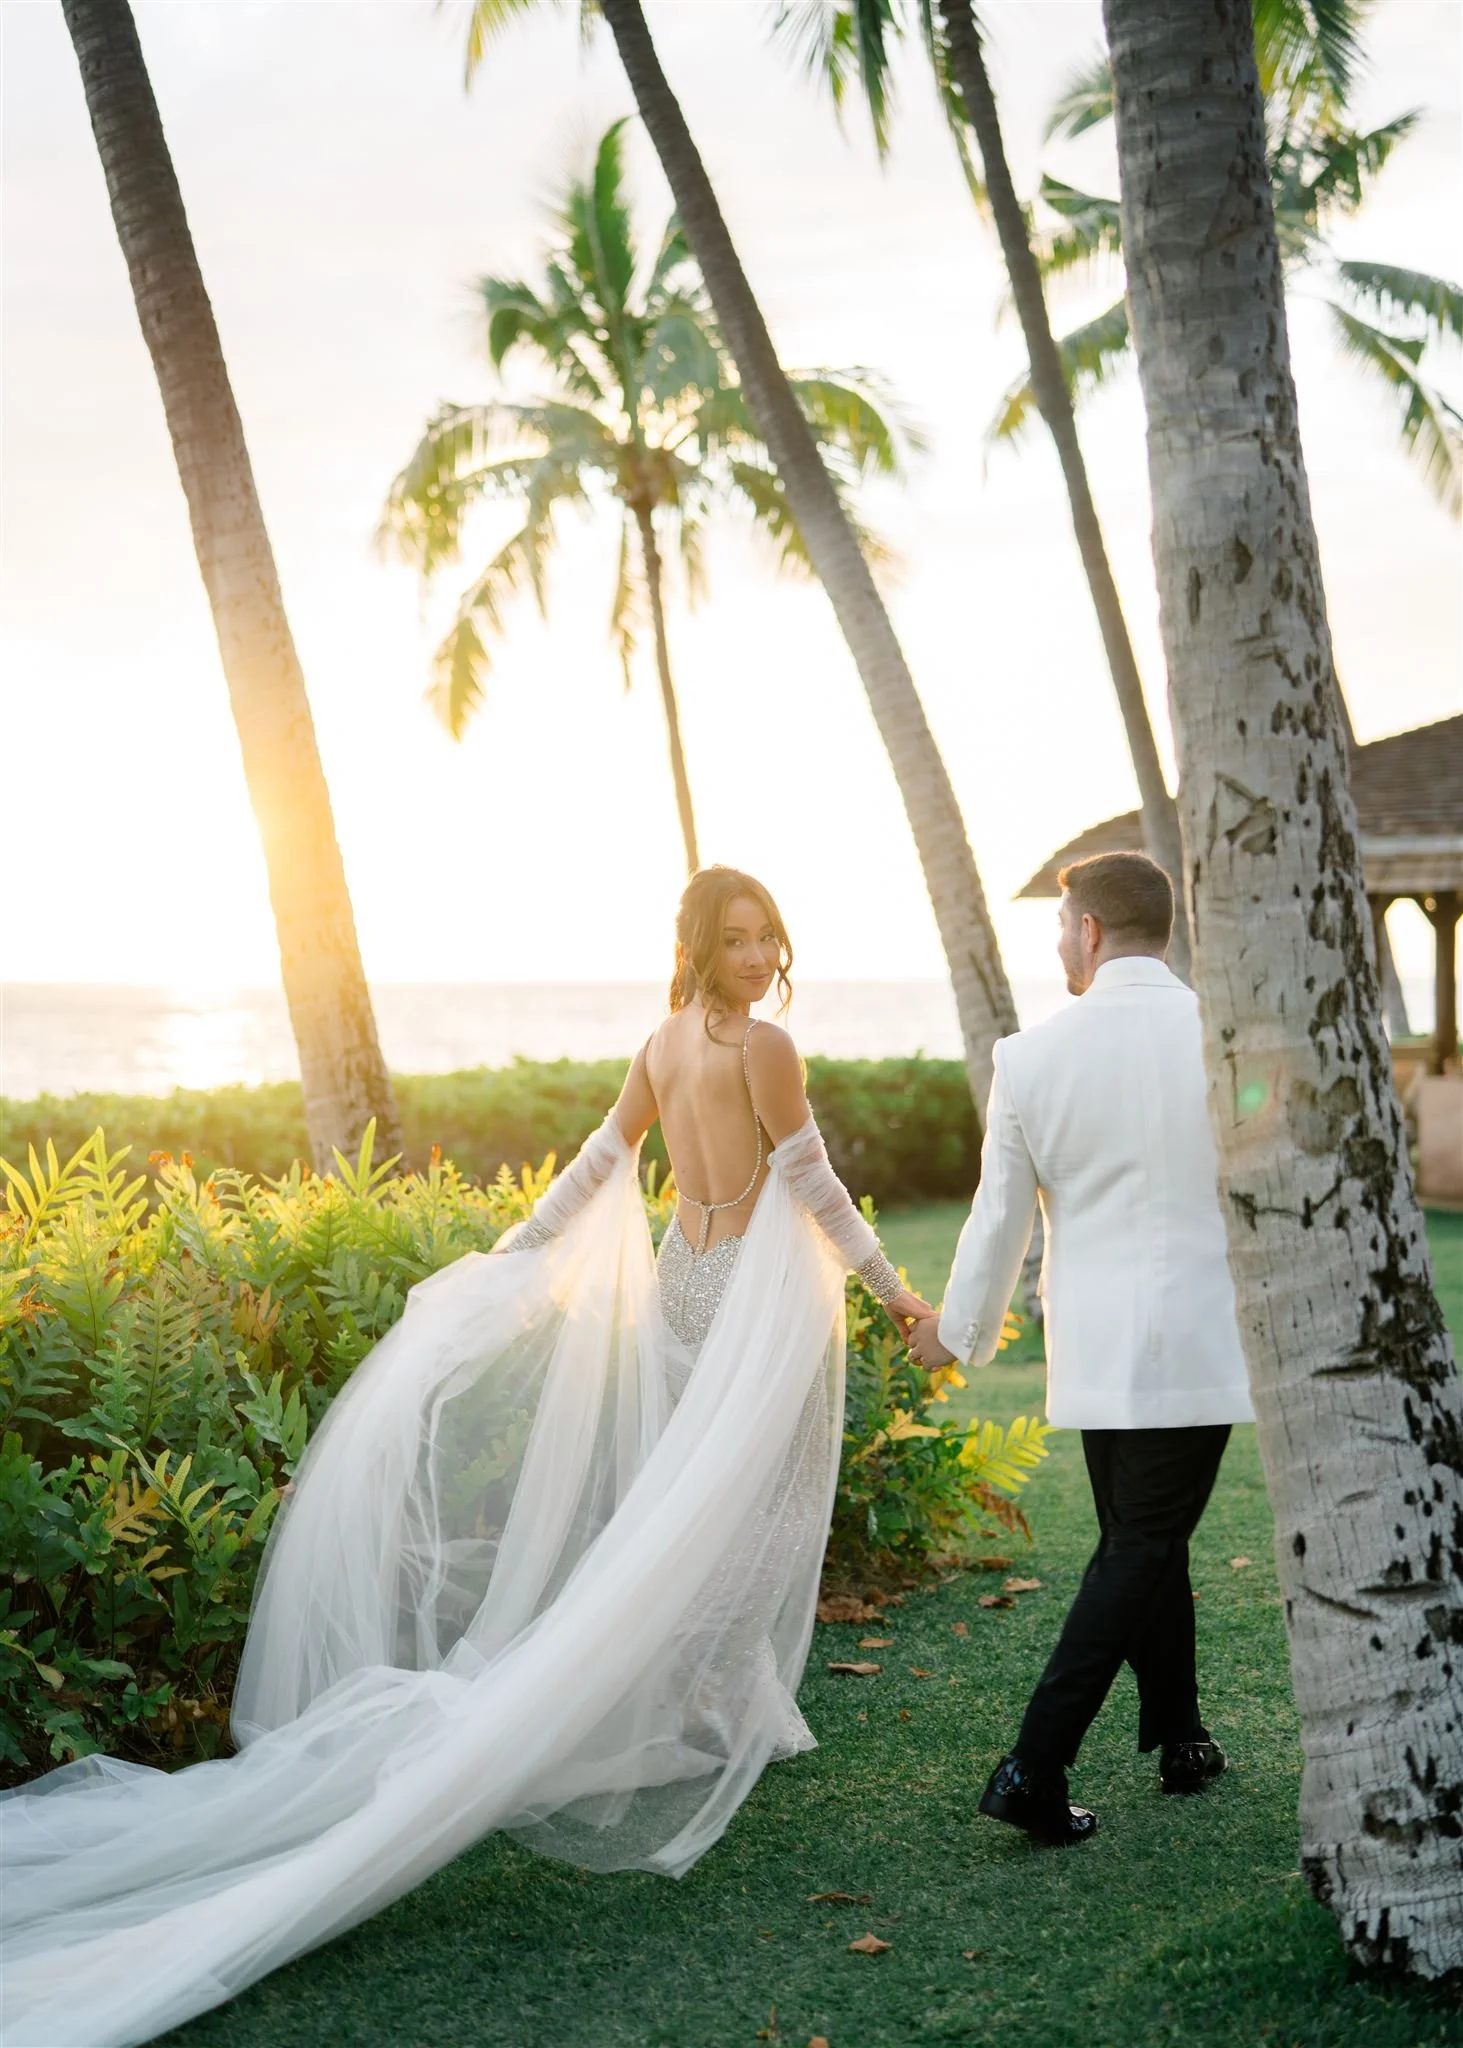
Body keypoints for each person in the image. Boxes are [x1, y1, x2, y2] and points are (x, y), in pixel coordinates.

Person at [0, 867, 927, 2048]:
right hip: (747, 1295)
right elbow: (812, 1185)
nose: (757, 956)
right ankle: (697, 1687)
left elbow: (598, 1164)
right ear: (698, 946)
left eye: (766, 937)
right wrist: (897, 1293)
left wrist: (512, 1252)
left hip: (683, 1283)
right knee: (764, 1506)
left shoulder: (659, 1042)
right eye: (735, 938)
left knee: (697, 1500)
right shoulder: (766, 1046)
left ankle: (732, 1694)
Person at [909, 851, 1254, 1846]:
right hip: (1198, 1339)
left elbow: (997, 1220)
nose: (1060, 941)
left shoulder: (1027, 1058)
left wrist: (953, 1334)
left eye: (1062, 925)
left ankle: (1179, 1735)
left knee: (1139, 1539)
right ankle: (1033, 1767)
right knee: (1140, 1542)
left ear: (1091, 930)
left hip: (1097, 1351)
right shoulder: (1228, 1041)